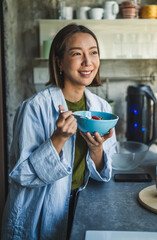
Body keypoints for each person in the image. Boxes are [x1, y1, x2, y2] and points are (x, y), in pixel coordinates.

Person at [1, 24, 117, 240]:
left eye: (93, 52)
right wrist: (58, 138)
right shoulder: (35, 107)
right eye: (76, 54)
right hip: (41, 210)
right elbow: (21, 175)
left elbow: (105, 172)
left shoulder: (102, 109)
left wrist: (97, 150)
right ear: (59, 61)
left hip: (84, 205)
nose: (87, 61)